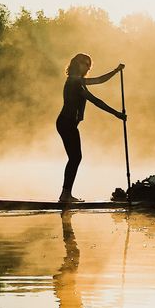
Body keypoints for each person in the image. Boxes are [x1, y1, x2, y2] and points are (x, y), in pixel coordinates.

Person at [56, 53, 125, 204]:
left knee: (75, 158)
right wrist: (116, 114)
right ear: (76, 63)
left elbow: (99, 80)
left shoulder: (78, 81)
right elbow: (95, 101)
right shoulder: (75, 83)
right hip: (66, 123)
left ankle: (66, 194)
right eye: (84, 63)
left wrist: (115, 71)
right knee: (75, 158)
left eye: (89, 64)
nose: (87, 67)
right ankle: (65, 195)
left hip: (68, 123)